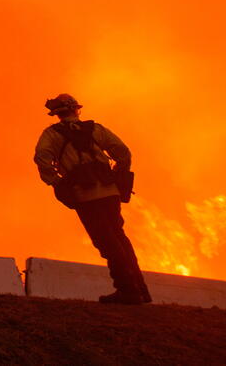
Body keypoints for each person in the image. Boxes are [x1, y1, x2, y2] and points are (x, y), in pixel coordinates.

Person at [34, 93, 151, 304]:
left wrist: (56, 182)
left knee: (107, 242)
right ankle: (140, 290)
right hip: (110, 192)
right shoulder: (96, 129)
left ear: (57, 114)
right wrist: (119, 172)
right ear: (76, 110)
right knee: (120, 238)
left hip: (85, 196)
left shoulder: (52, 135)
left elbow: (42, 157)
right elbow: (123, 152)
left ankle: (127, 291)